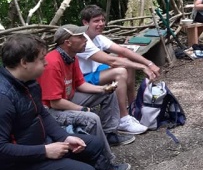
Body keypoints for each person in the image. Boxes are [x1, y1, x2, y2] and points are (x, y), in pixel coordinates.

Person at [0, 35, 104, 170]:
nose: (46, 62)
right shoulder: (3, 97)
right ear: (24, 62)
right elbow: (1, 149)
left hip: (38, 147)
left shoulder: (28, 83)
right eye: (40, 58)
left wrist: (65, 137)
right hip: (15, 163)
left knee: (92, 144)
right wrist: (45, 151)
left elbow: (42, 115)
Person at [39, 25, 135, 159]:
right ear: (68, 42)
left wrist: (103, 89)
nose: (85, 39)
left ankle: (109, 133)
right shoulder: (52, 63)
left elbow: (81, 84)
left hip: (66, 100)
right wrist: (82, 109)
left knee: (108, 94)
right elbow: (55, 102)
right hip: (51, 110)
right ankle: (106, 161)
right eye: (80, 37)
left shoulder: (72, 57)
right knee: (92, 118)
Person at [77, 5, 160, 134]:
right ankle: (123, 119)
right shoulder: (83, 41)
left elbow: (123, 50)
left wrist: (149, 63)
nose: (101, 24)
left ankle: (132, 107)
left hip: (95, 71)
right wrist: (143, 67)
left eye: (102, 20)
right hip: (83, 77)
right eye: (96, 21)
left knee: (127, 64)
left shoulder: (97, 37)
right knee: (120, 71)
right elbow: (111, 60)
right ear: (85, 22)